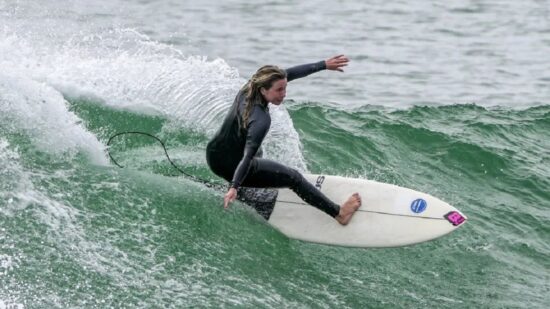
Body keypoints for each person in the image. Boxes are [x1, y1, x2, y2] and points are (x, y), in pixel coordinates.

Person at [206, 55, 361, 225]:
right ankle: (339, 214)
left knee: (258, 151)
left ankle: (241, 188)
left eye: (285, 88)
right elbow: (247, 158)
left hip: (214, 155)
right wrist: (234, 186)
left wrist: (324, 65)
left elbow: (291, 73)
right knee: (293, 178)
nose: (284, 94)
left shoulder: (250, 87)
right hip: (231, 165)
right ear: (264, 90)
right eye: (279, 90)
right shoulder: (260, 120)